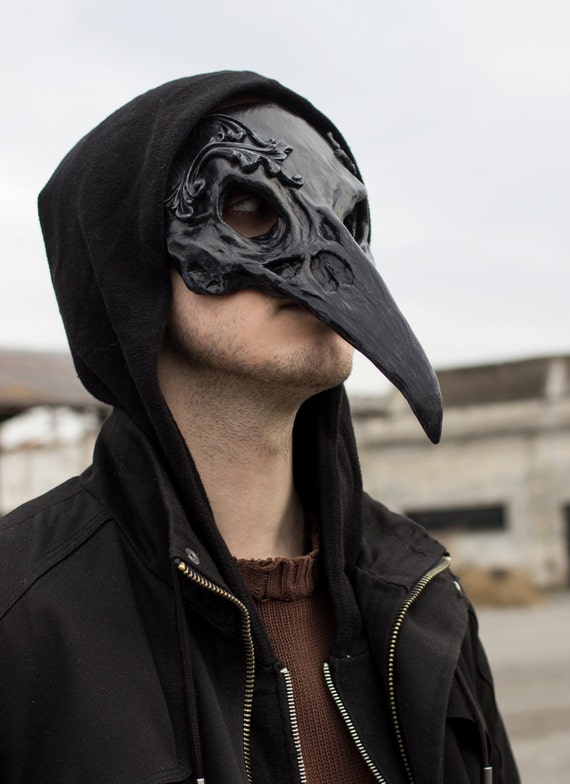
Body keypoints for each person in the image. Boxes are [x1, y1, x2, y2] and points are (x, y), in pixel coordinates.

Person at [0, 72, 519, 784]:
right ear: (128, 263)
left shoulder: (425, 598)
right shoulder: (22, 616)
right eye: (249, 208)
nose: (336, 262)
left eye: (348, 220)